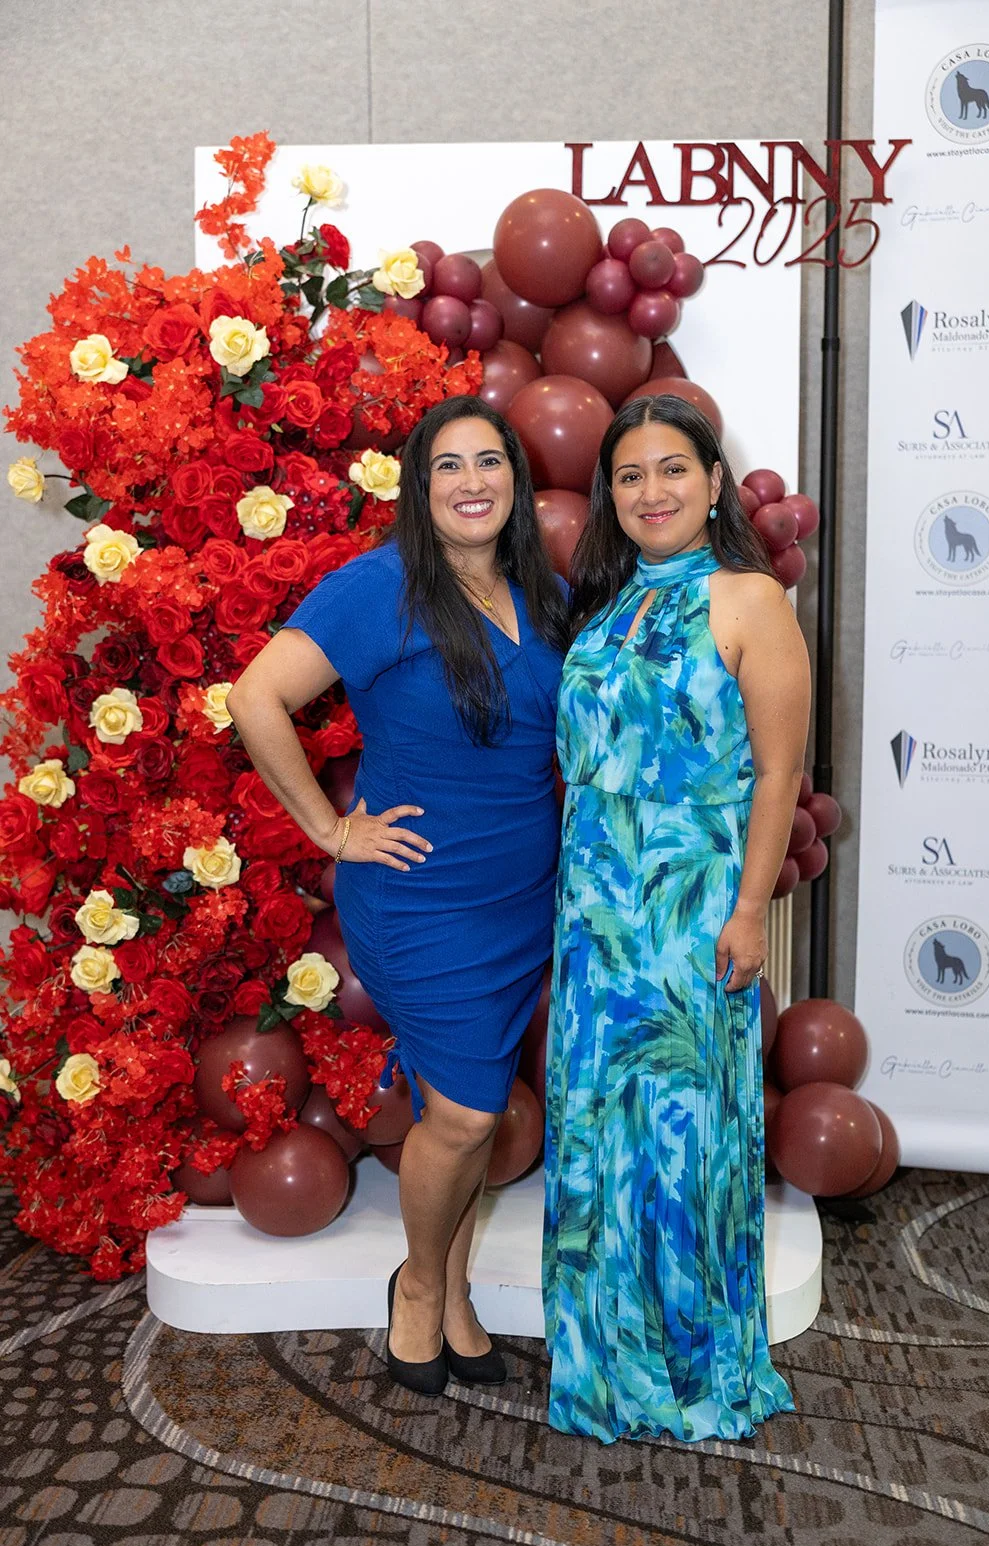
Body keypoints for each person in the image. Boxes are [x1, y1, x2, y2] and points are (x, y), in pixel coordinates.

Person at [226, 394, 569, 1396]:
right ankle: (417, 1285)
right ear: (420, 491)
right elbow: (256, 696)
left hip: (520, 900)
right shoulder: (378, 588)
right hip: (419, 900)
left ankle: (454, 1294)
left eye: (487, 463)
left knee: (457, 1107)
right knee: (465, 1117)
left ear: (512, 478)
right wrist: (331, 830)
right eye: (446, 466)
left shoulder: (539, 592)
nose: (471, 482)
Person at [543, 393, 809, 1443]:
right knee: (597, 1129)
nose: (649, 491)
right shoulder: (603, 606)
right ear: (611, 496)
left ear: (709, 484)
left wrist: (748, 912)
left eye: (670, 471)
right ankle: (603, 1367)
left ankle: (693, 1371)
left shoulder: (748, 599)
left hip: (693, 909)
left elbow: (779, 774)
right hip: (595, 910)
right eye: (627, 475)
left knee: (683, 1139)